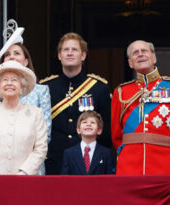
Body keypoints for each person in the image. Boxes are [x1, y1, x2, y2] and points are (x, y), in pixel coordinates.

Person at [40, 32, 112, 175]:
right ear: (59, 55)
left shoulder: (99, 88)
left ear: (83, 55)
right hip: (54, 161)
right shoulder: (46, 87)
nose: (70, 53)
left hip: (88, 162)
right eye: (65, 50)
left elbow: (106, 131)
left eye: (74, 50)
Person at [0, 60, 48, 175]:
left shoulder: (35, 113)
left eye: (14, 80)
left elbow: (40, 148)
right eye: (5, 80)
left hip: (24, 182)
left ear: (22, 87)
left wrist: (24, 173)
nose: (9, 83)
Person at [0, 22, 51, 175]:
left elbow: (45, 134)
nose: (11, 56)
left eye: (16, 53)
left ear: (26, 61)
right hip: (1, 163)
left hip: (32, 165)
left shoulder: (41, 91)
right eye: (7, 54)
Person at [111, 40, 170, 175]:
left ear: (154, 57)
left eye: (144, 51)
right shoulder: (121, 92)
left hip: (165, 163)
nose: (140, 54)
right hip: (130, 164)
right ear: (130, 63)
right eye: (135, 53)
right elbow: (116, 135)